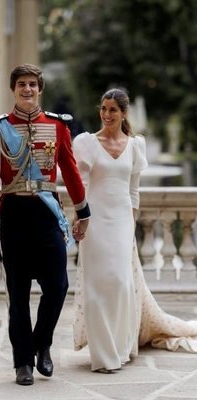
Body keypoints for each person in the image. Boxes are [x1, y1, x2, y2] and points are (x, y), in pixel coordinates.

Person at [0, 63, 90, 385]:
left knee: (58, 287)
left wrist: (84, 213)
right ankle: (23, 362)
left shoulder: (57, 126)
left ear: (40, 89)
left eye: (33, 85)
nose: (27, 90)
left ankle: (42, 344)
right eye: (22, 84)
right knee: (19, 294)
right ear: (13, 89)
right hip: (13, 216)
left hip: (46, 214)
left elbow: (70, 171)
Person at [72, 88, 197, 374]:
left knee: (121, 284)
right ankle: (103, 355)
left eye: (112, 110)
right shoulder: (87, 143)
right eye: (103, 109)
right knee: (97, 286)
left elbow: (134, 191)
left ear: (123, 113)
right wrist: (78, 218)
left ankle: (123, 346)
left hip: (122, 223)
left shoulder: (135, 145)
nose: (106, 115)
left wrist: (130, 224)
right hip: (95, 220)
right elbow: (82, 187)